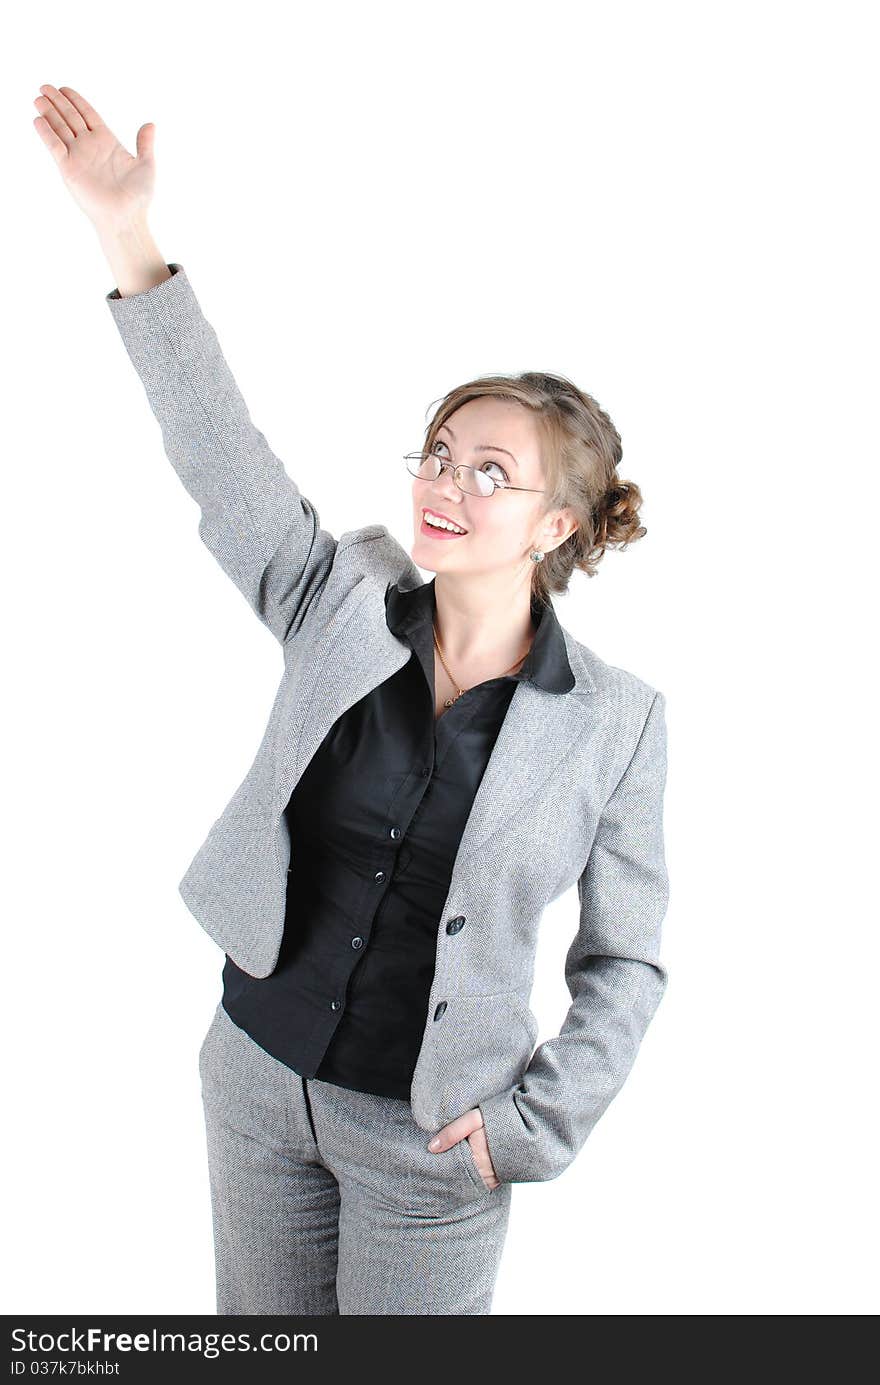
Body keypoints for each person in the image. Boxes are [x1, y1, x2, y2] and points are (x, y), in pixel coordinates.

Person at [33, 84, 671, 1316]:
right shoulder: (340, 599)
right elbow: (221, 454)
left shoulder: (615, 721)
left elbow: (627, 958)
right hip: (258, 1081)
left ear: (555, 526)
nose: (447, 483)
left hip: (434, 1142)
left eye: (490, 472)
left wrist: (534, 1124)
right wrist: (127, 236)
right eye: (438, 452)